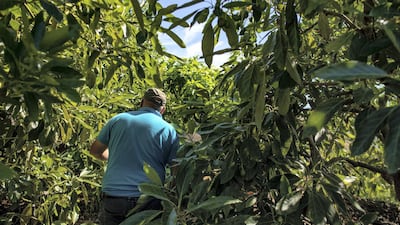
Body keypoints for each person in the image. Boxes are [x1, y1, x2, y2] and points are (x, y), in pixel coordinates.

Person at [90, 88, 180, 225]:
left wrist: (113, 156)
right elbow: (175, 168)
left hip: (114, 196)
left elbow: (95, 150)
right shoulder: (168, 130)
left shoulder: (118, 120)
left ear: (142, 102)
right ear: (163, 109)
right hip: (148, 199)